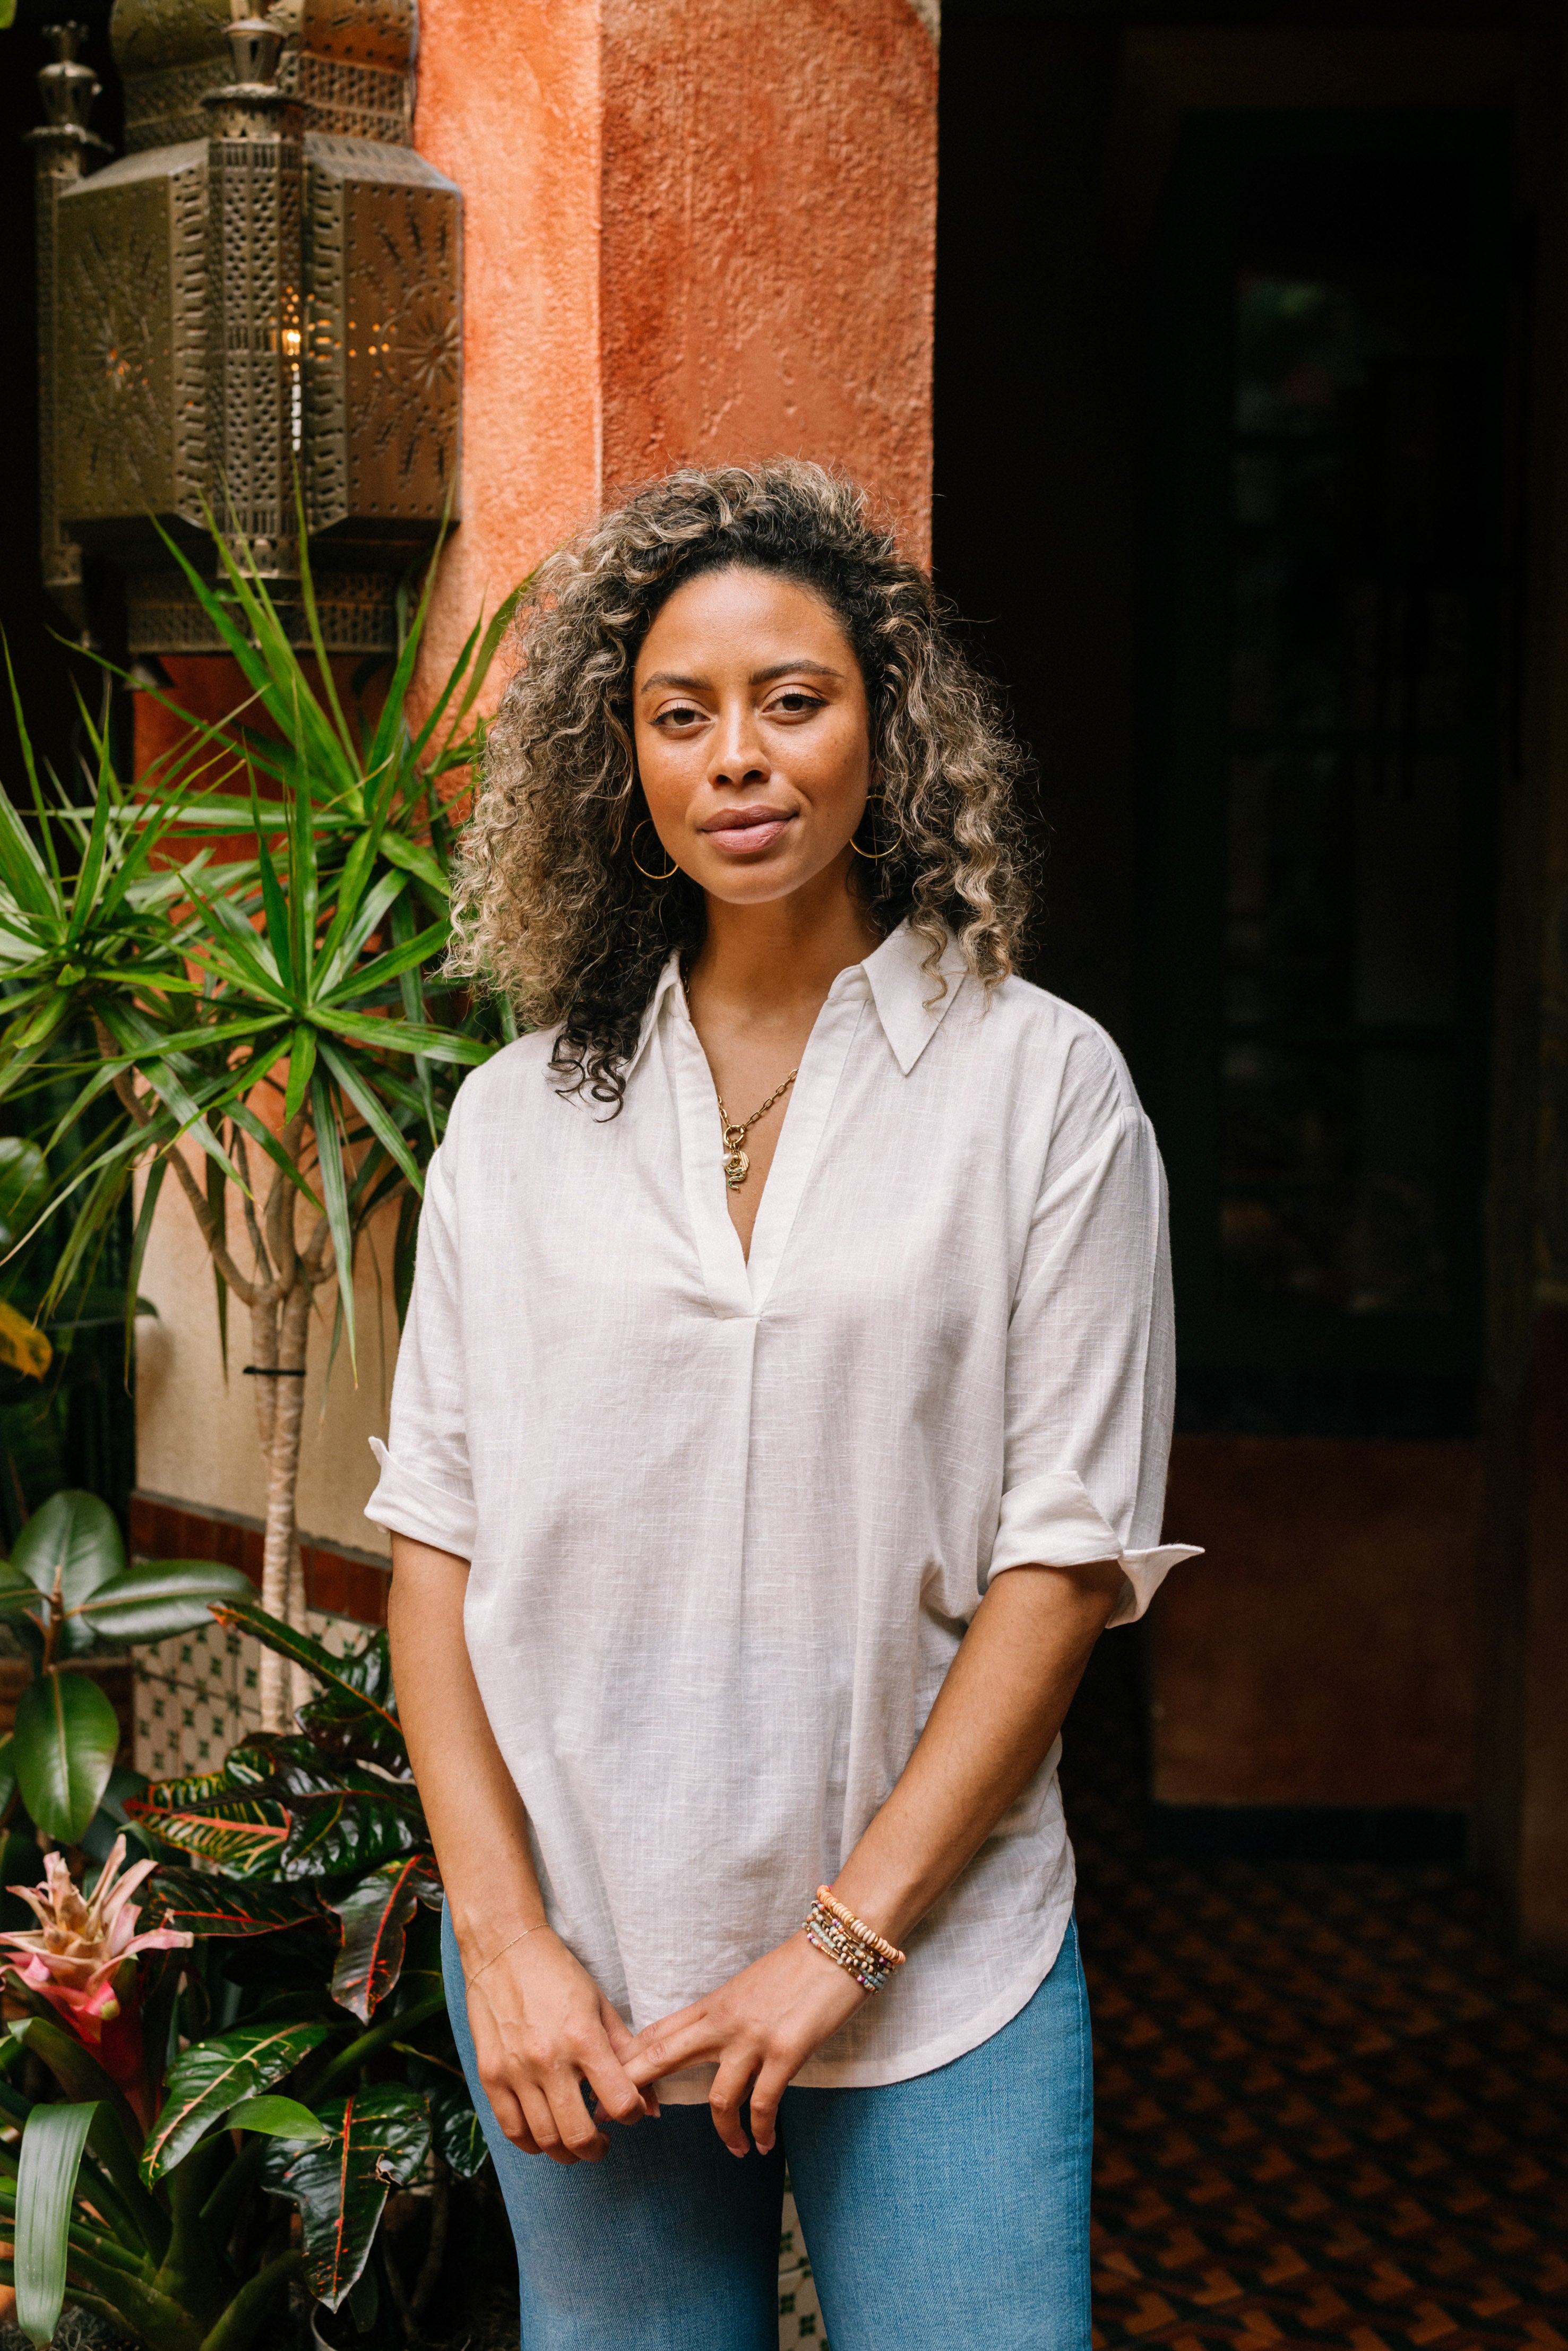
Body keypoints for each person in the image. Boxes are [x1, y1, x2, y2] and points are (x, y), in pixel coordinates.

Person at [369, 460, 1197, 2350]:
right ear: (623, 764)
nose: (735, 758)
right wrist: (504, 1951)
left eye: (791, 700)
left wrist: (835, 1952)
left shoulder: (1041, 1089)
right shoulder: (516, 1122)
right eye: (681, 716)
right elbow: (433, 1561)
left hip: (937, 1973)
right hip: (583, 1978)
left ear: (885, 731)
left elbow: (1059, 1569)